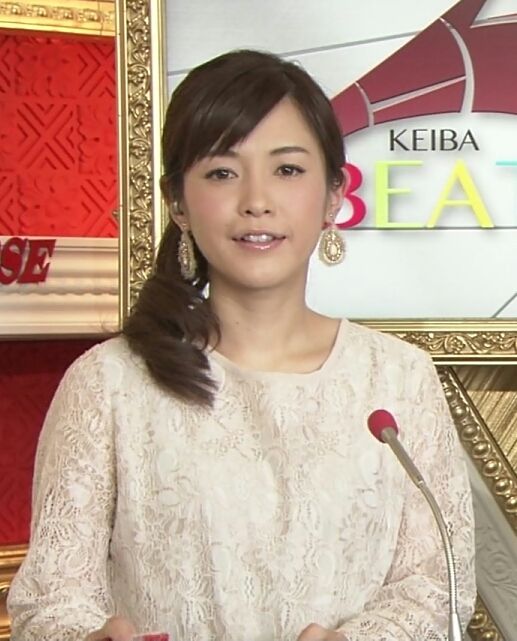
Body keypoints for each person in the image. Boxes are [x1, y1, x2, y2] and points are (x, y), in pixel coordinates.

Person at [7, 49, 476, 641]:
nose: (257, 200)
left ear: (335, 194)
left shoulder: (399, 379)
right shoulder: (109, 384)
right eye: (222, 172)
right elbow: (51, 601)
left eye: (288, 170)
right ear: (178, 202)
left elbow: (435, 585)